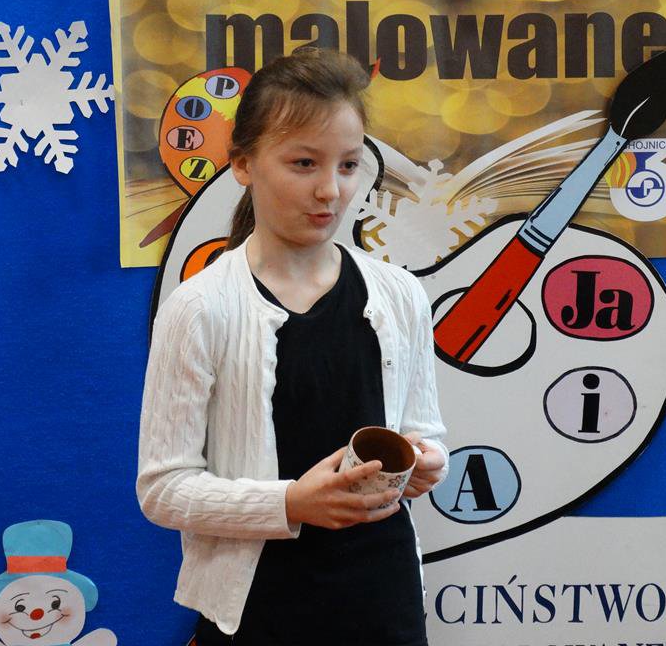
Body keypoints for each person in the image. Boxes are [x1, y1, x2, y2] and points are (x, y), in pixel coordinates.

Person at [137, 47, 449, 645]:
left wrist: (428, 461)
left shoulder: (400, 295)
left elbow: (424, 432)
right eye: (304, 163)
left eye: (349, 165)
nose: (330, 190)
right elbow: (163, 489)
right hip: (259, 611)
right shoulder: (200, 307)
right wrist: (290, 504)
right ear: (243, 164)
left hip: (384, 605)